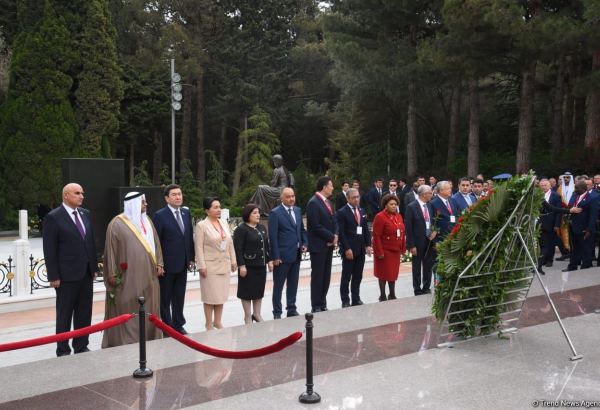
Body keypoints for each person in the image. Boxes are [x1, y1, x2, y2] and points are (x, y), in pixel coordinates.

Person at [42, 183, 99, 357]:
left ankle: (81, 346)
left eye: (82, 193)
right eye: (77, 193)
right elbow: (49, 249)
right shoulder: (53, 217)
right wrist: (53, 275)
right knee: (64, 314)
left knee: (84, 312)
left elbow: (90, 242)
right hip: (66, 276)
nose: (81, 196)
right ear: (66, 195)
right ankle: (63, 349)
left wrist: (94, 267)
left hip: (86, 273)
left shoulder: (85, 214)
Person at [102, 192, 164, 347]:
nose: (146, 205)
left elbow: (156, 244)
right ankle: (127, 341)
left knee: (150, 309)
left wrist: (160, 264)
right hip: (128, 278)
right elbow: (110, 251)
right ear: (134, 204)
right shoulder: (116, 224)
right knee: (129, 309)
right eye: (143, 202)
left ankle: (150, 338)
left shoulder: (147, 220)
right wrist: (112, 275)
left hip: (150, 276)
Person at [153, 184, 195, 335]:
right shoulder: (160, 215)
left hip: (183, 263)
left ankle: (178, 324)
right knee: (165, 297)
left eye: (180, 194)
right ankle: (167, 327)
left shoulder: (185, 213)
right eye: (174, 195)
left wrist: (191, 258)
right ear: (166, 198)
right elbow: (156, 242)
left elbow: (189, 237)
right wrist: (159, 263)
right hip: (167, 265)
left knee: (179, 296)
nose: (178, 197)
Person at [195, 197, 237, 330]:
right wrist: (202, 265)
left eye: (219, 207)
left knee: (220, 295)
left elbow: (229, 243)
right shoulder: (201, 225)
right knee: (210, 296)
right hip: (209, 266)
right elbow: (198, 247)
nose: (219, 209)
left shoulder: (223, 222)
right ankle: (208, 323)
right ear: (207, 210)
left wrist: (234, 261)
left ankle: (217, 321)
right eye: (215, 207)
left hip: (224, 264)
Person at [268, 188, 308, 319]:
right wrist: (276, 256)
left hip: (296, 254)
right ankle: (277, 312)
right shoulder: (275, 213)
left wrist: (304, 243)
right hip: (282, 257)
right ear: (282, 198)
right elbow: (273, 237)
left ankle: (291, 308)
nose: (292, 199)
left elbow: (301, 230)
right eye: (288, 197)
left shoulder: (297, 210)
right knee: (278, 286)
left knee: (293, 283)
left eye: (293, 196)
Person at [233, 204, 272, 324]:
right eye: (254, 213)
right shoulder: (241, 229)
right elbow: (238, 249)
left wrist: (269, 260)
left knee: (258, 291)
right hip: (248, 266)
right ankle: (247, 316)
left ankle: (257, 314)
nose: (258, 215)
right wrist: (241, 265)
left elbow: (266, 246)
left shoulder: (261, 227)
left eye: (258, 212)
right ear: (247, 214)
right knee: (246, 292)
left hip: (261, 265)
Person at [306, 176, 338, 313]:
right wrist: (331, 236)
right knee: (318, 276)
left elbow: (335, 221)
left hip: (329, 245)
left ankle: (323, 302)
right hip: (319, 245)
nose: (332, 188)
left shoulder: (329, 203)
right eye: (331, 185)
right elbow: (315, 225)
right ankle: (316, 305)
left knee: (326, 276)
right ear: (324, 187)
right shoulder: (313, 203)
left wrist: (336, 235)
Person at [337, 188, 372, 307]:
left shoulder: (361, 210)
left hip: (360, 249)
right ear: (348, 198)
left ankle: (356, 298)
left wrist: (368, 245)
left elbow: (365, 230)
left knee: (358, 275)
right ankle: (345, 300)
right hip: (349, 250)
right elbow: (341, 233)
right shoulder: (342, 212)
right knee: (346, 276)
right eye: (354, 197)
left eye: (358, 197)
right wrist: (347, 248)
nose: (357, 199)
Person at [372, 194, 405, 301]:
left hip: (395, 250)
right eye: (391, 204)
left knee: (393, 273)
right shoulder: (380, 216)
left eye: (395, 204)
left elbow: (402, 232)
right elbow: (376, 235)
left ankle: (392, 294)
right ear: (385, 205)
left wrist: (403, 247)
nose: (394, 206)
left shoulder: (398, 216)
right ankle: (382, 295)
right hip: (384, 250)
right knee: (383, 273)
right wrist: (379, 252)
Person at [405, 185, 437, 296]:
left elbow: (434, 221)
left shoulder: (430, 205)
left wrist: (435, 231)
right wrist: (411, 245)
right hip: (417, 242)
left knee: (428, 266)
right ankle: (417, 288)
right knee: (417, 267)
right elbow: (408, 228)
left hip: (429, 241)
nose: (431, 195)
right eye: (430, 193)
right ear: (424, 194)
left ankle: (426, 287)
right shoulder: (411, 207)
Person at [564, 181, 599, 272]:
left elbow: (593, 215)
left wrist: (589, 229)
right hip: (573, 226)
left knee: (586, 248)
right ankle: (572, 266)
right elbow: (569, 207)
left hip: (585, 228)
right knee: (574, 248)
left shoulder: (592, 198)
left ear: (583, 189)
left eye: (577, 188)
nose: (575, 190)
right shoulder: (575, 196)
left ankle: (585, 266)